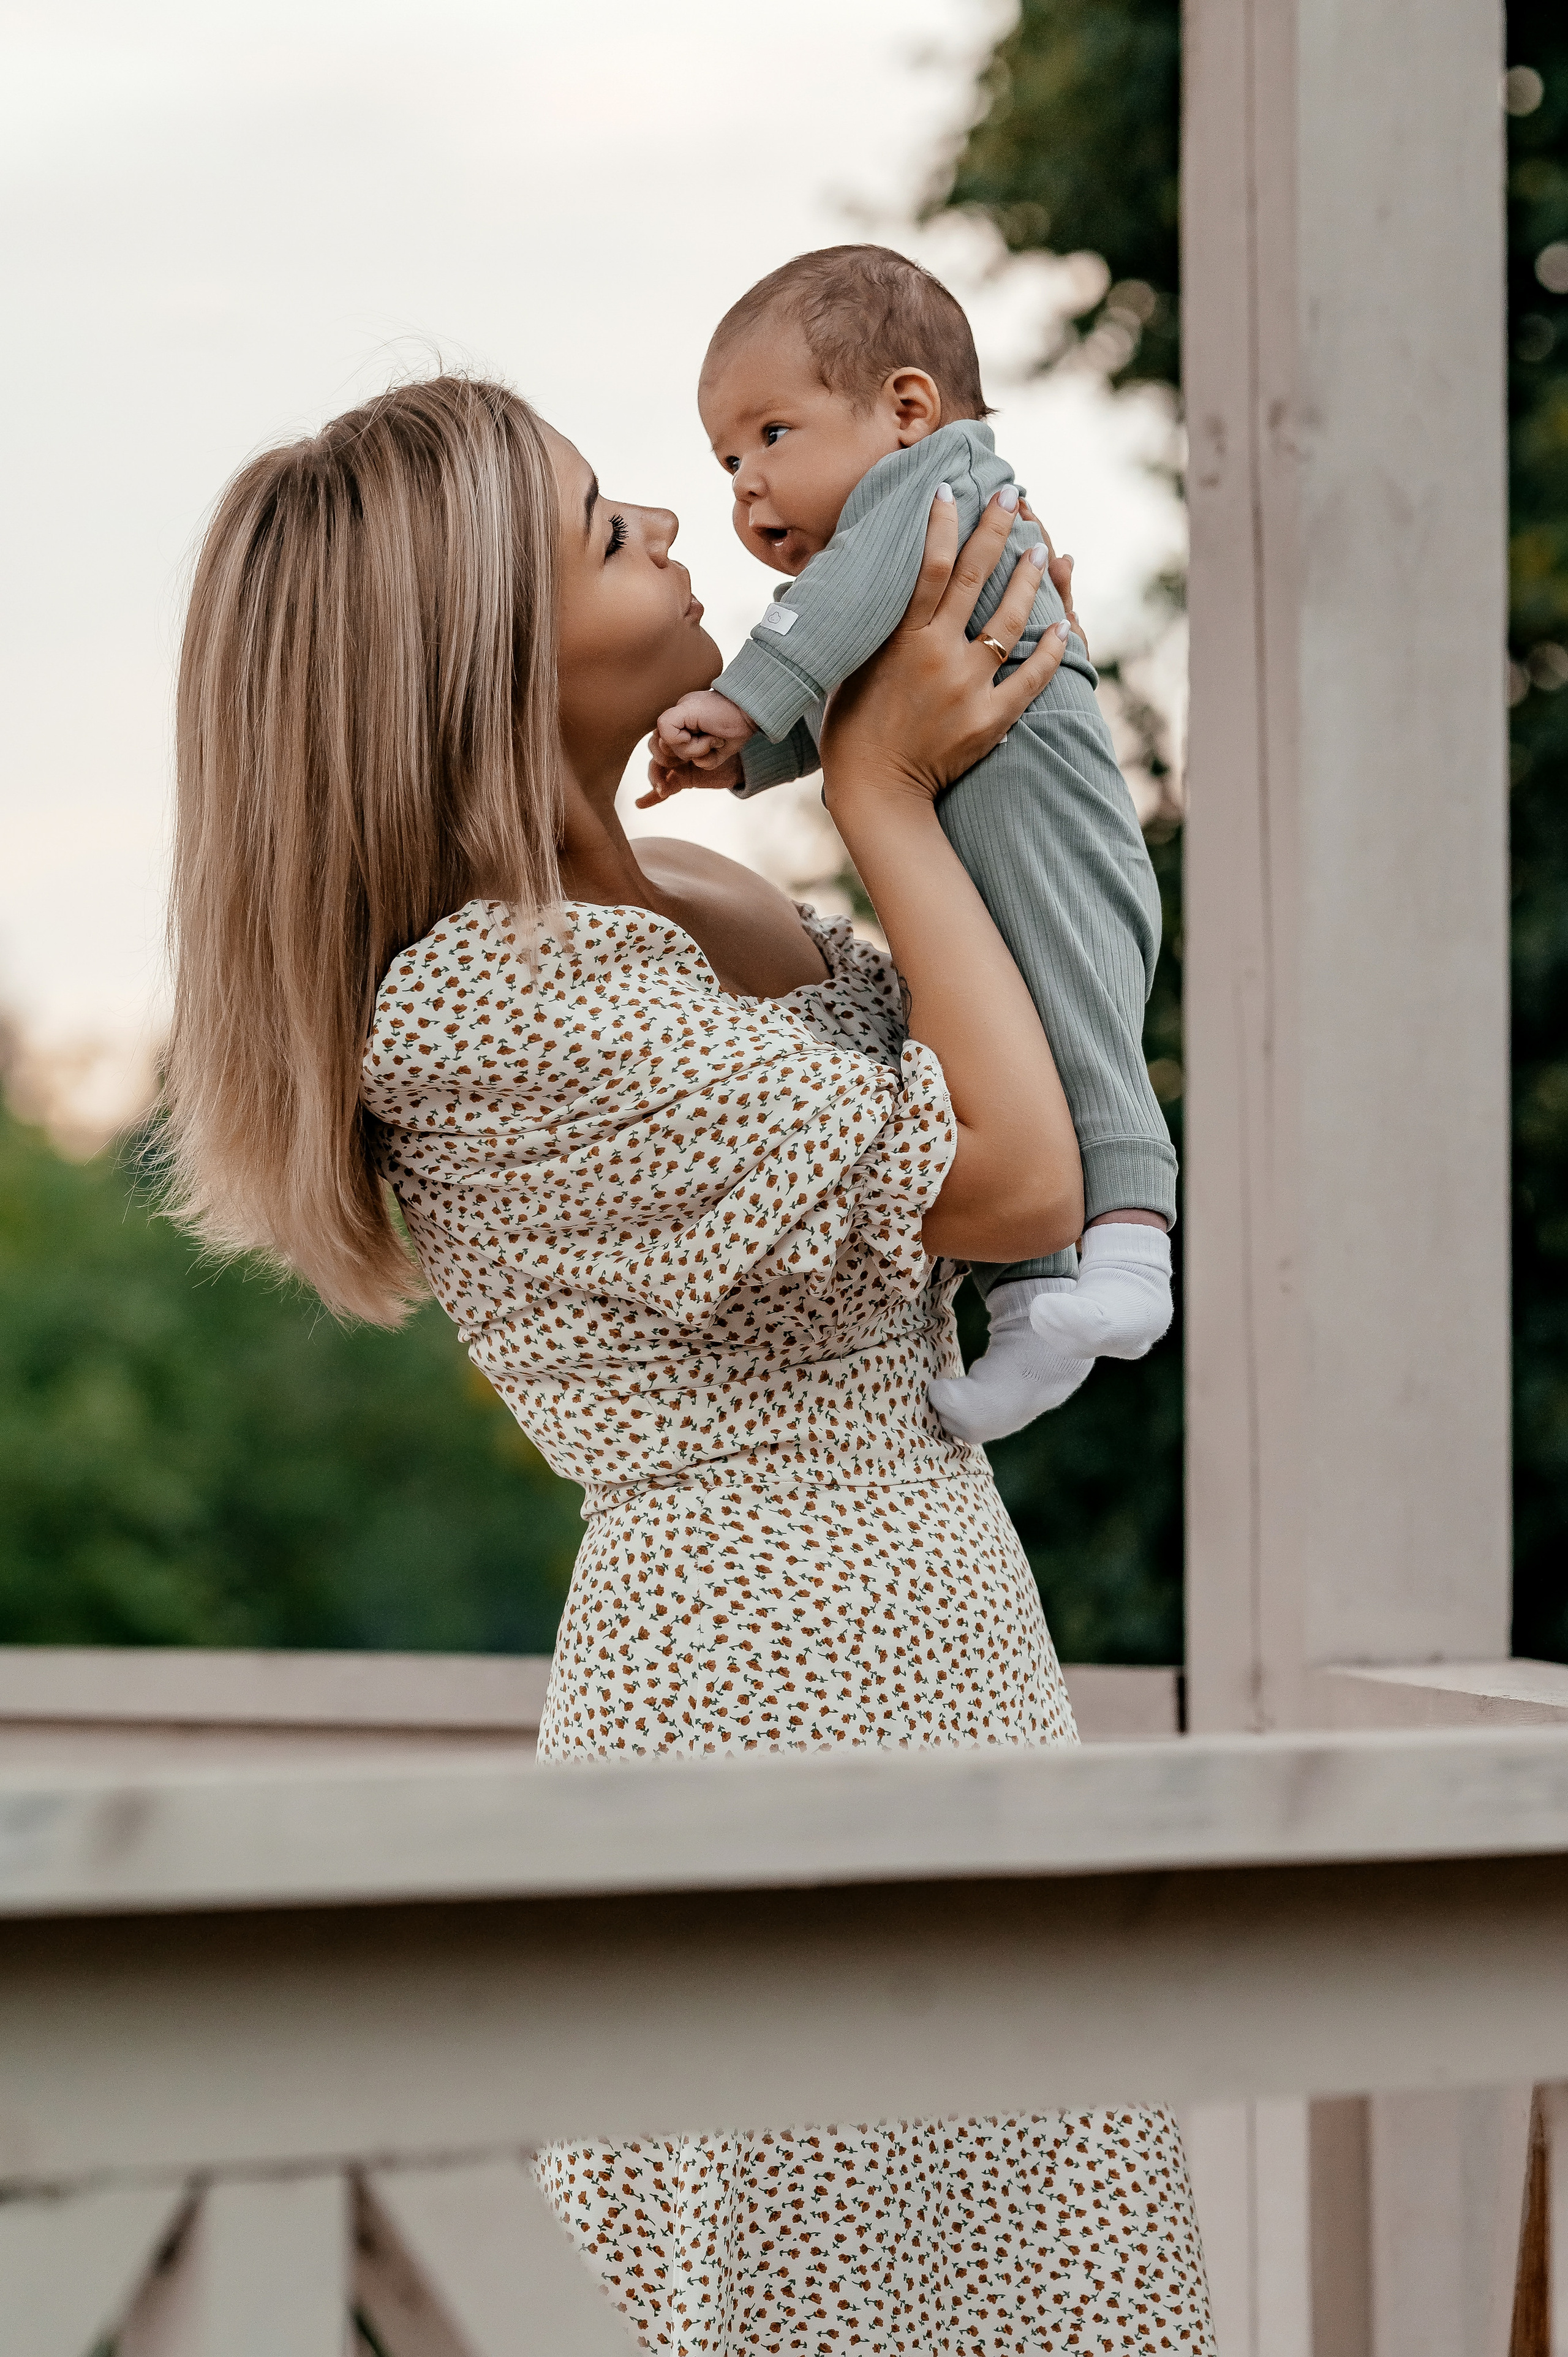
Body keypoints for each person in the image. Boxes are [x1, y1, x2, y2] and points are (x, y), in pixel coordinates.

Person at [164, 372, 1214, 2354]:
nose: (662, 512)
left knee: (1027, 2252)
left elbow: (1026, 1020)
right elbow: (1003, 1174)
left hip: (931, 1628)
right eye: (594, 523)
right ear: (477, 662)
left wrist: (995, 702)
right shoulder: (488, 999)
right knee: (819, 2261)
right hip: (763, 1684)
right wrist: (885, 789)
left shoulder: (702, 905)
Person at [645, 246, 1177, 1447]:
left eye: (770, 434)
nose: (742, 485)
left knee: (1074, 1026)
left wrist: (737, 705)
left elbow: (816, 636)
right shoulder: (877, 567)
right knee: (1004, 1059)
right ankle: (1037, 1309)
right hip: (975, 840)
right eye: (726, 460)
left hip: (1048, 820)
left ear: (904, 408)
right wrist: (743, 758)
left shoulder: (933, 488)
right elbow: (843, 706)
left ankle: (1134, 1258)